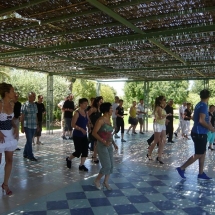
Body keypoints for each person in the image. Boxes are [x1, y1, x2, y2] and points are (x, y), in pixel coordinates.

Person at [176, 89, 215, 180]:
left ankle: (201, 173)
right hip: (199, 133)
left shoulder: (198, 105)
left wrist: (207, 125)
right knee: (198, 154)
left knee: (203, 153)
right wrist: (210, 127)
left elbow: (195, 118)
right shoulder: (204, 106)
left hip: (199, 132)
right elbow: (201, 120)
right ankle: (181, 168)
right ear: (208, 97)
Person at [92, 102, 118, 190]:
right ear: (106, 110)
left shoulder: (109, 119)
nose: (112, 110)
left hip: (109, 145)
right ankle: (97, 180)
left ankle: (106, 182)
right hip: (102, 145)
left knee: (111, 166)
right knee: (106, 165)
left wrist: (114, 144)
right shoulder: (101, 120)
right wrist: (103, 141)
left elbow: (109, 134)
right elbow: (94, 133)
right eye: (111, 109)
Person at [0, 83, 18, 195]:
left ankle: (5, 184)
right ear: (6, 93)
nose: (14, 93)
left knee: (9, 160)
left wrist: (15, 127)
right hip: (0, 135)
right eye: (12, 91)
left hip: (10, 135)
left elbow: (11, 120)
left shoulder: (12, 104)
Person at [66, 98, 90, 171]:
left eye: (87, 103)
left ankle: (81, 165)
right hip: (77, 135)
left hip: (84, 135)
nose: (86, 105)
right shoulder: (77, 113)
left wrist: (90, 126)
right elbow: (72, 124)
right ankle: (69, 159)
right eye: (85, 103)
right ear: (81, 104)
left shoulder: (86, 113)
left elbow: (88, 121)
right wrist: (81, 129)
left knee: (85, 151)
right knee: (78, 151)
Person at [147, 96, 171, 164]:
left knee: (163, 140)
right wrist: (167, 115)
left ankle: (159, 156)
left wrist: (165, 119)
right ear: (160, 101)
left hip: (162, 125)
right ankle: (149, 153)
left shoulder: (162, 108)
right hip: (157, 124)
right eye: (164, 99)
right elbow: (160, 117)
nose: (165, 101)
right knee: (156, 140)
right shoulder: (158, 108)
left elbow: (161, 117)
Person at [21, 92, 38, 161]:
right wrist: (22, 126)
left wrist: (37, 125)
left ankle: (25, 153)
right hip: (27, 126)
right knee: (30, 141)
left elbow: (36, 115)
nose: (34, 97)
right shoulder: (25, 105)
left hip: (33, 125)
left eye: (35, 96)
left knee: (29, 140)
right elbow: (22, 116)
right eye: (33, 96)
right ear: (29, 97)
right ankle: (30, 156)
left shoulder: (35, 105)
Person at [88, 96, 103, 163]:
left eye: (102, 101)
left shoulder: (100, 109)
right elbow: (86, 115)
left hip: (98, 127)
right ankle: (94, 156)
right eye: (100, 101)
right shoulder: (94, 109)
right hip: (93, 127)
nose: (101, 102)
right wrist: (90, 123)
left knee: (97, 142)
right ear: (97, 102)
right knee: (95, 142)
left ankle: (94, 155)